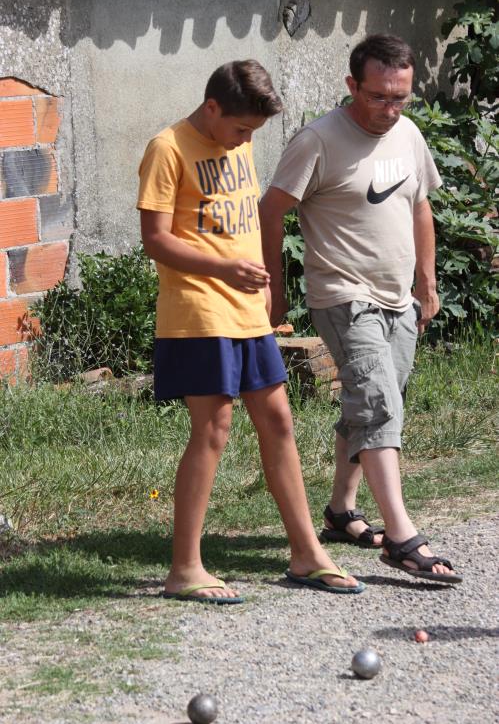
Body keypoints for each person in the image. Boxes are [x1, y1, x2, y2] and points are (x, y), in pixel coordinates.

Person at [137, 59, 365, 604]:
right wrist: (224, 271)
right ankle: (185, 569)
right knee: (214, 428)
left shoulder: (238, 140)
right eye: (242, 128)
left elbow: (245, 218)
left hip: (244, 305)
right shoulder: (167, 148)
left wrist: (265, 282)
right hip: (197, 308)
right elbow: (155, 239)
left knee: (279, 419)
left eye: (253, 132)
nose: (246, 139)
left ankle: (307, 552)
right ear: (212, 107)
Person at [259, 35, 462, 584]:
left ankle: (341, 512)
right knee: (377, 406)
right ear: (352, 86)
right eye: (379, 97)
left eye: (401, 98)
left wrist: (427, 277)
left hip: (398, 295)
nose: (391, 110)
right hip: (344, 296)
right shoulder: (317, 141)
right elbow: (271, 211)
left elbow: (419, 204)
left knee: (374, 401)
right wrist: (274, 287)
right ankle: (401, 537)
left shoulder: (408, 133)